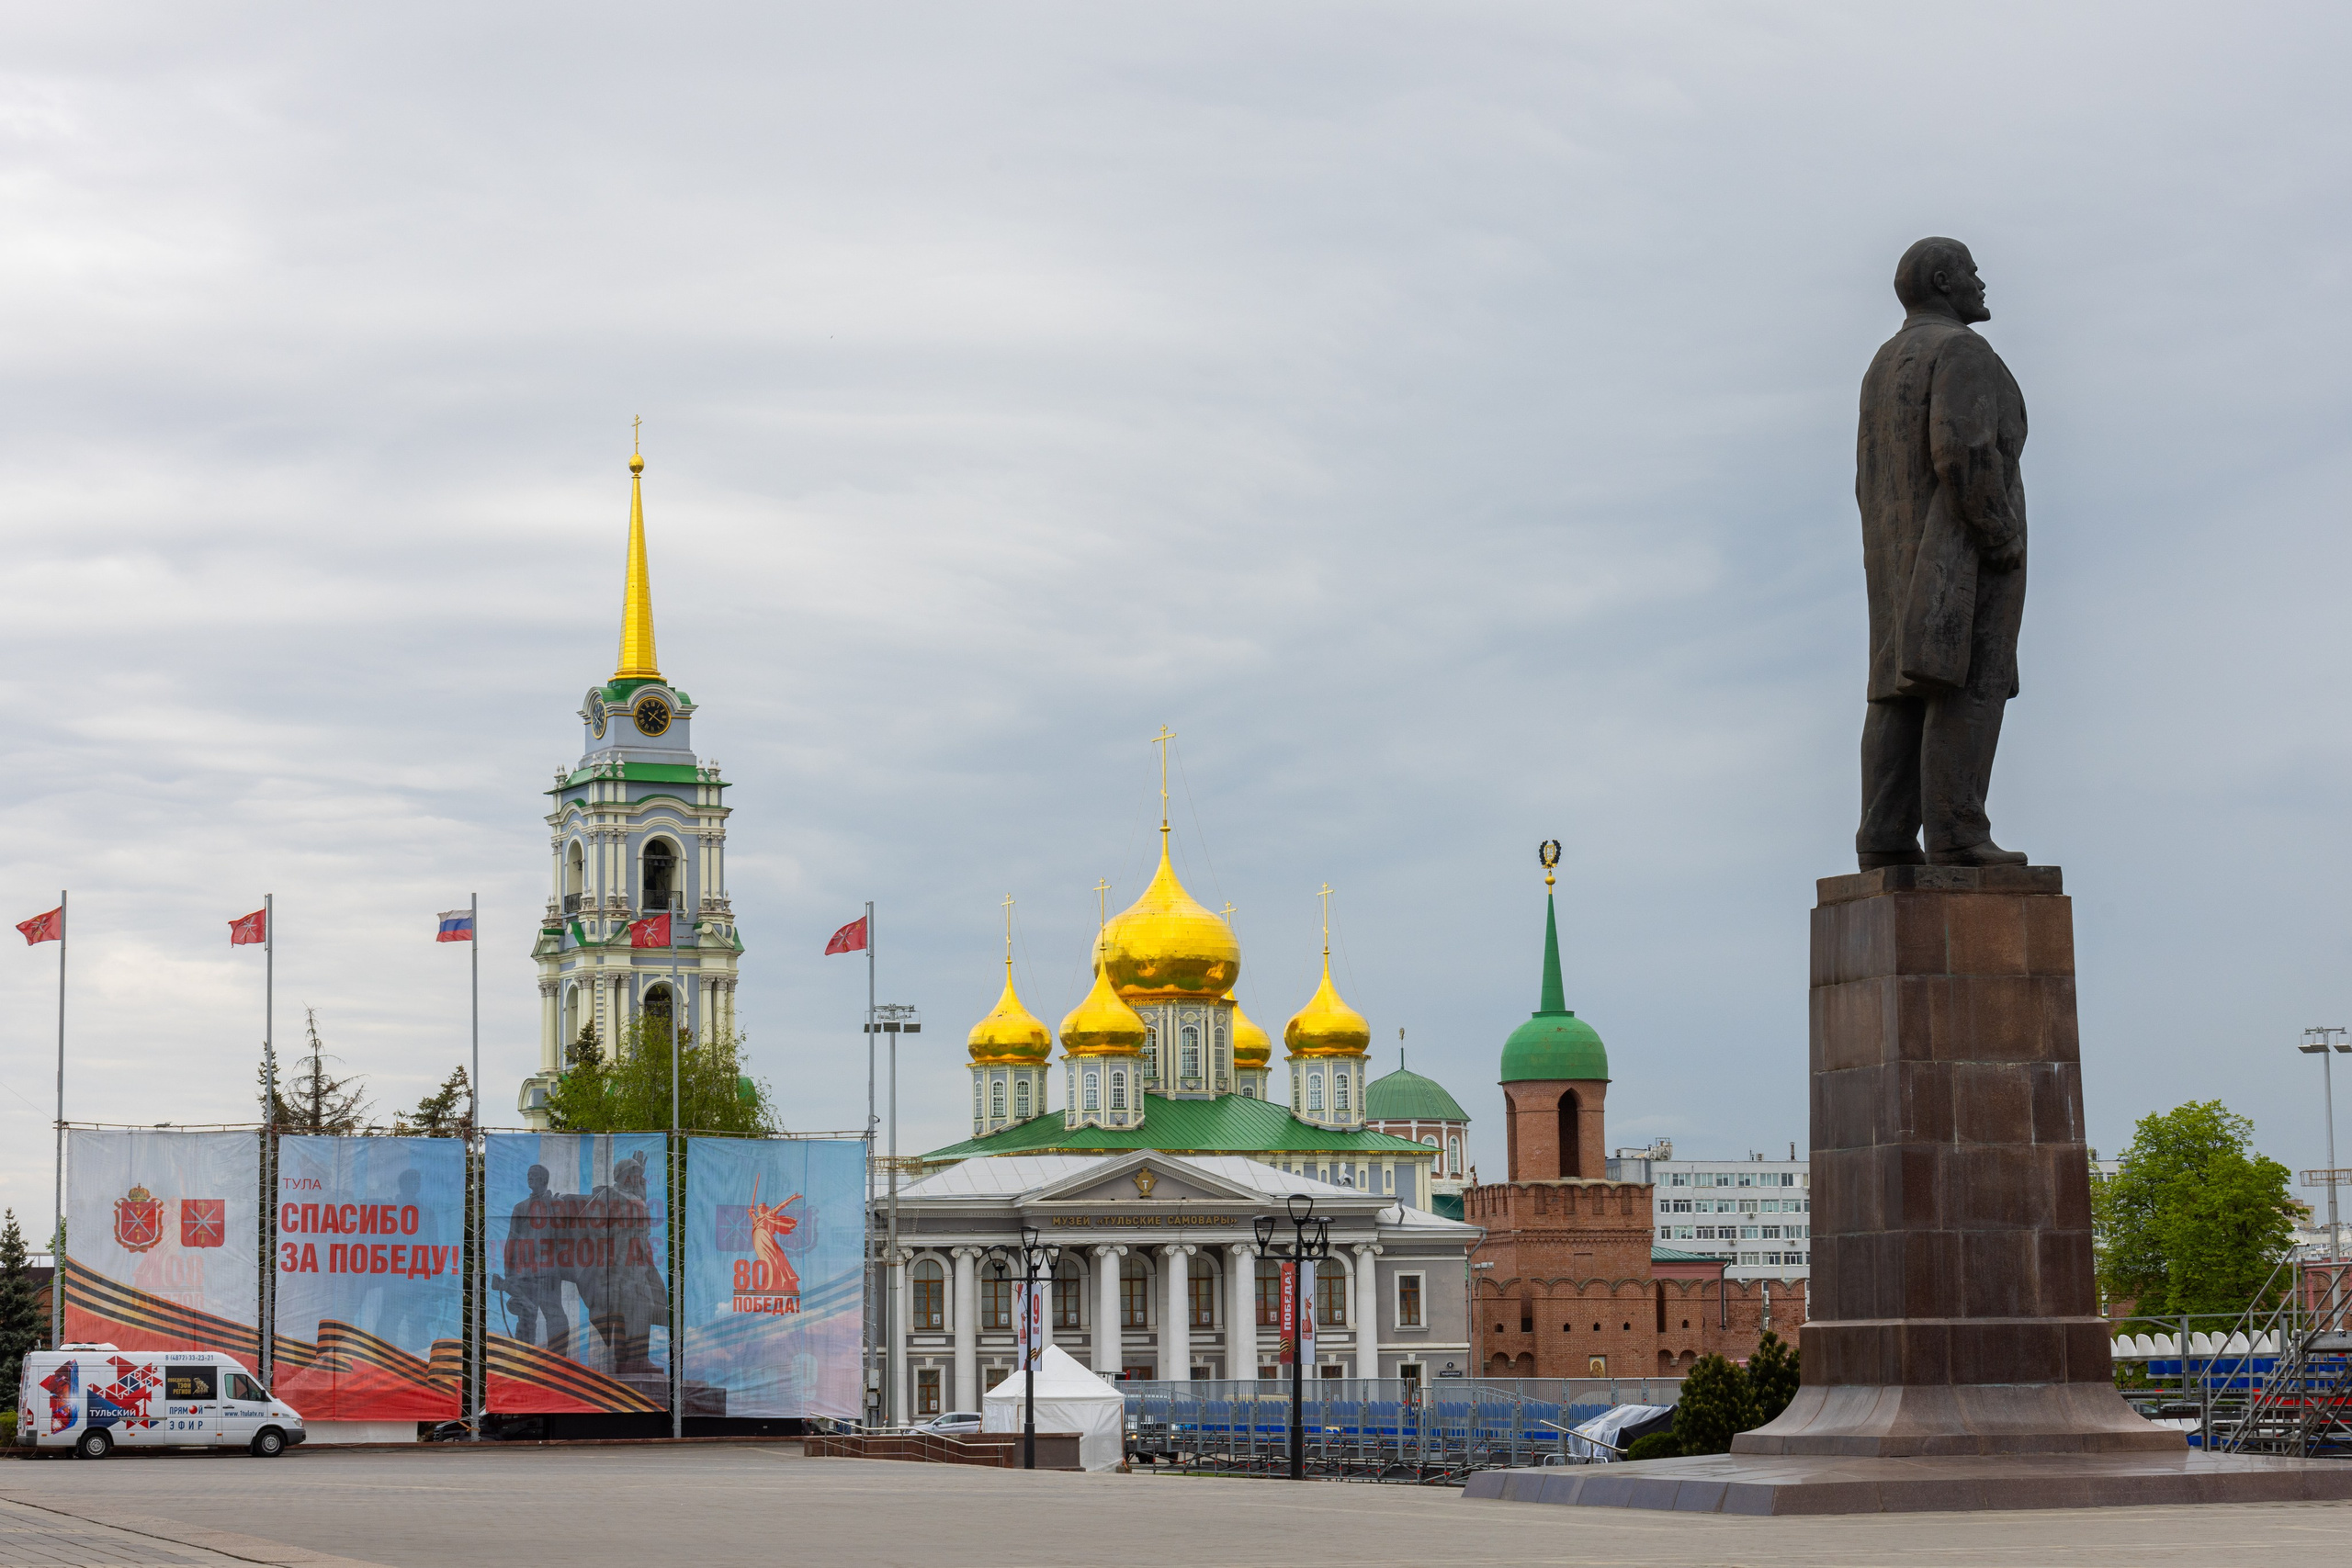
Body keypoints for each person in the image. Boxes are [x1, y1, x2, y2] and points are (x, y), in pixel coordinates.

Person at [1854, 237, 2030, 869]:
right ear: (1941, 281)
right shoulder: (1961, 350)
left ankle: (1885, 833)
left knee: (1900, 687)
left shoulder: (1884, 362)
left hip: (1893, 552)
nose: (1982, 282)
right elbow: (1965, 450)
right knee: (1965, 682)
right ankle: (1958, 831)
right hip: (1958, 550)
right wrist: (2000, 533)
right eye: (1971, 273)